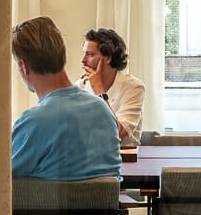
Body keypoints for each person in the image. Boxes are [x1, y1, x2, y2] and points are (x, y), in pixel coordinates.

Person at [10, 16, 120, 181]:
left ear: (24, 66)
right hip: (104, 206)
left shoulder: (32, 123)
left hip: (48, 206)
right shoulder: (104, 110)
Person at [77, 27, 145, 146]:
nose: (83, 60)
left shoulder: (134, 88)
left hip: (124, 159)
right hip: (88, 159)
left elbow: (117, 134)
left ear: (107, 58)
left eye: (90, 54)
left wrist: (99, 91)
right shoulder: (80, 87)